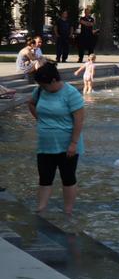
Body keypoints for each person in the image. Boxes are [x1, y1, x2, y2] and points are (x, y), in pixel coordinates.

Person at [27, 62, 85, 215]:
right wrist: (40, 119)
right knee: (45, 178)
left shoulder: (71, 93)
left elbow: (79, 120)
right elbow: (31, 103)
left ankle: (68, 212)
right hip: (45, 144)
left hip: (67, 145)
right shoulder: (40, 90)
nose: (43, 87)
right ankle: (41, 209)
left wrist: (73, 143)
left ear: (53, 80)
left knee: (68, 178)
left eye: (45, 85)